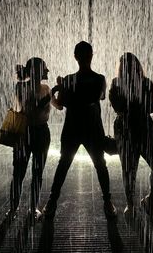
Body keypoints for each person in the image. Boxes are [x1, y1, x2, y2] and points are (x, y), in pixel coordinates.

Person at [43, 41, 117, 218]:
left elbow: (60, 105)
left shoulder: (69, 80)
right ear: (92, 55)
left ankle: (52, 203)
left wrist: (57, 90)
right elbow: (98, 96)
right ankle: (107, 203)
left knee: (63, 165)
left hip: (72, 130)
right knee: (100, 165)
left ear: (75, 57)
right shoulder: (100, 79)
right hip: (93, 129)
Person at [109, 52, 153, 217]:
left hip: (141, 128)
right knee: (130, 169)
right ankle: (133, 204)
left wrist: (144, 103)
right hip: (128, 129)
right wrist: (145, 103)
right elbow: (119, 106)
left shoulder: (145, 83)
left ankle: (149, 201)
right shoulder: (118, 84)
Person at [6, 57, 51, 222]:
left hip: (41, 133)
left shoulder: (47, 88)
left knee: (36, 172)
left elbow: (58, 105)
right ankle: (14, 208)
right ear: (38, 71)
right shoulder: (21, 87)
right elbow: (31, 109)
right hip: (26, 133)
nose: (48, 71)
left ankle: (32, 208)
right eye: (45, 68)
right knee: (19, 172)